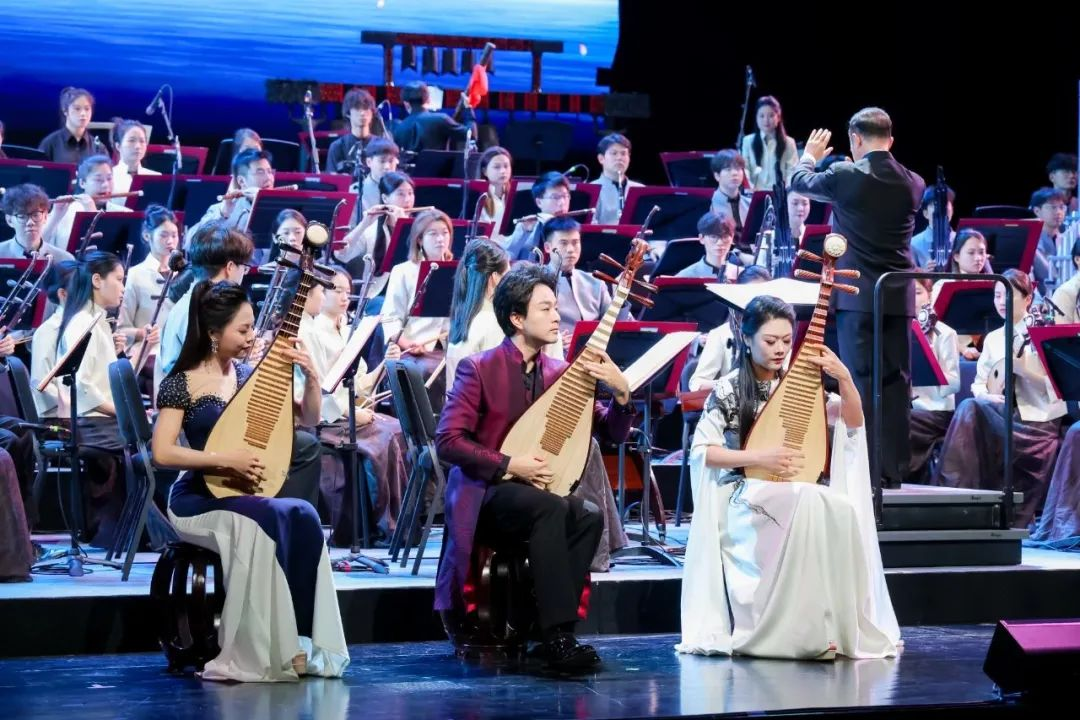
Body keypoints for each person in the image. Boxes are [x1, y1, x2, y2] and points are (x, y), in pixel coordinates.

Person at [676, 295, 899, 660]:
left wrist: (843, 376)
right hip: (740, 493)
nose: (780, 349)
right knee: (808, 500)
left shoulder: (798, 388)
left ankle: (828, 627)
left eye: (786, 340)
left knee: (841, 509)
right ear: (746, 338)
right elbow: (704, 452)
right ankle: (792, 632)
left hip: (790, 491)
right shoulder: (729, 389)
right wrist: (760, 458)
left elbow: (853, 421)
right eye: (770, 341)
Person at [435, 263, 635, 670]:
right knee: (551, 508)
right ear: (516, 318)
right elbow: (448, 441)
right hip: (486, 494)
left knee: (589, 514)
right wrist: (512, 463)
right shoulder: (479, 369)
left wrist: (622, 395)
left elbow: (610, 431)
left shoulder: (560, 374)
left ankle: (547, 631)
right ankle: (556, 636)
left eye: (556, 307)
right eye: (545, 308)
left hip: (537, 496)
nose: (557, 316)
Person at [152, 280, 348, 682]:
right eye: (242, 329)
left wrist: (312, 377)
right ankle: (261, 649)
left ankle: (303, 641)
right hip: (196, 499)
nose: (250, 337)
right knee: (268, 519)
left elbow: (309, 419)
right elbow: (163, 453)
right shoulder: (181, 382)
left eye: (252, 327)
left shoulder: (247, 376)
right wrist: (225, 460)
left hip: (242, 496)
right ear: (213, 332)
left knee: (303, 513)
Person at [790, 107, 925, 489]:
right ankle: (892, 471)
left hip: (856, 294)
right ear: (891, 140)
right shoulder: (914, 182)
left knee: (859, 381)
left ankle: (863, 471)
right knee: (896, 382)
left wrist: (809, 156)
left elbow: (799, 182)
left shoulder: (846, 175)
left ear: (856, 139)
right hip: (898, 296)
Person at [932, 269, 1066, 528]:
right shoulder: (993, 338)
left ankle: (952, 497)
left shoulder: (1042, 332)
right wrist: (988, 397)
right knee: (970, 407)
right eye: (997, 295)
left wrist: (1022, 369)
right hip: (1001, 414)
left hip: (1037, 422)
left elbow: (1057, 386)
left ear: (1028, 299)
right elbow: (978, 383)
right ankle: (957, 502)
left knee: (970, 410)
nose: (1001, 301)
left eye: (1009, 295)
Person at [294, 266, 408, 547]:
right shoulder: (308, 331)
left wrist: (386, 363)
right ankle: (381, 525)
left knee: (398, 429)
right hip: (322, 416)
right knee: (383, 437)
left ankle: (397, 524)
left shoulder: (344, 331)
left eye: (348, 291)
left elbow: (360, 385)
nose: (343, 297)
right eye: (333, 290)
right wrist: (352, 412)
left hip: (341, 408)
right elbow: (321, 388)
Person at [908, 279, 960, 482]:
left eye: (918, 292)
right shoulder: (896, 331)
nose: (912, 299)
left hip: (935, 411)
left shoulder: (945, 333)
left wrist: (930, 364)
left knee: (902, 422)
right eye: (908, 293)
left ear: (929, 294)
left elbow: (955, 384)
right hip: (908, 408)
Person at [116, 204, 177, 371]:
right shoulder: (134, 276)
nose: (170, 241)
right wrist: (142, 333)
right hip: (148, 354)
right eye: (163, 235)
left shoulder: (186, 274)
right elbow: (120, 329)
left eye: (174, 235)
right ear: (146, 235)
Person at [42, 155, 131, 253]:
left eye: (109, 179)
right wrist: (55, 217)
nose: (106, 185)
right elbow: (39, 246)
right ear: (82, 183)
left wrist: (92, 213)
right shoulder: (65, 211)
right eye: (98, 180)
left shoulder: (125, 213)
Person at [186, 149, 274, 243]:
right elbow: (190, 241)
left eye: (270, 172)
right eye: (260, 172)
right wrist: (222, 214)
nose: (268, 178)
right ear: (241, 181)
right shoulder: (224, 209)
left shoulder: (281, 206)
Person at [392, 81, 475, 153]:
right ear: (428, 100)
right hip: (440, 167)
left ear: (406, 103)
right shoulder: (441, 119)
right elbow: (471, 135)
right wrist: (468, 109)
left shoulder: (398, 129)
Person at [0, 184, 75, 261]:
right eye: (22, 216)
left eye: (36, 215)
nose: (30, 222)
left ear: (45, 217)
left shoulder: (65, 259)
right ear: (9, 220)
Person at [739, 96, 798, 192]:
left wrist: (786, 190)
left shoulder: (788, 142)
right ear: (756, 118)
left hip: (781, 193)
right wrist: (750, 188)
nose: (766, 120)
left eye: (771, 116)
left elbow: (792, 170)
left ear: (778, 117)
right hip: (754, 192)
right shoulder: (748, 141)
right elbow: (745, 169)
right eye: (761, 116)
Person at [326, 88, 388, 176]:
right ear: (348, 113)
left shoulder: (381, 145)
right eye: (357, 108)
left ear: (372, 113)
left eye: (366, 108)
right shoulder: (337, 147)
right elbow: (332, 178)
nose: (362, 113)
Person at [38, 87, 107, 164]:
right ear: (65, 111)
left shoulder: (99, 147)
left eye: (87, 109)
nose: (83, 113)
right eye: (77, 109)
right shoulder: (50, 143)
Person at [590, 133, 642, 225]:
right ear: (601, 158)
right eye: (614, 153)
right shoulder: (591, 189)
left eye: (623, 153)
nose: (619, 158)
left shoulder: (641, 189)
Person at [674, 212, 739, 280]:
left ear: (732, 238)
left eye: (725, 237)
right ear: (701, 238)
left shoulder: (741, 274)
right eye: (713, 237)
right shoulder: (685, 276)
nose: (720, 242)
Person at [110, 119, 160, 194]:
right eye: (131, 140)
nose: (138, 146)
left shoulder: (156, 177)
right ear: (118, 146)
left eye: (142, 141)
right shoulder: (109, 177)